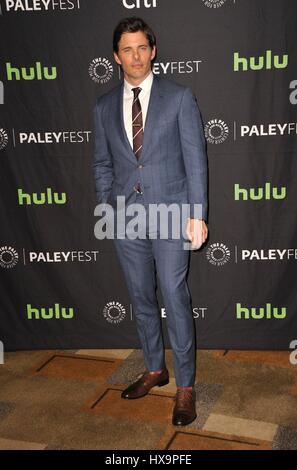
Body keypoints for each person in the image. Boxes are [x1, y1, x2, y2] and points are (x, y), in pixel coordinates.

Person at [93, 17, 208, 426]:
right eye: (127, 49)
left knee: (174, 296)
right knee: (142, 298)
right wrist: (108, 205)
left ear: (153, 50)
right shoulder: (104, 107)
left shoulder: (179, 97)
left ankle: (186, 386)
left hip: (173, 213)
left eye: (142, 47)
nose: (135, 56)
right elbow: (103, 164)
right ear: (115, 56)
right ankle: (156, 369)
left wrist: (197, 215)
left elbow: (195, 160)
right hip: (127, 219)